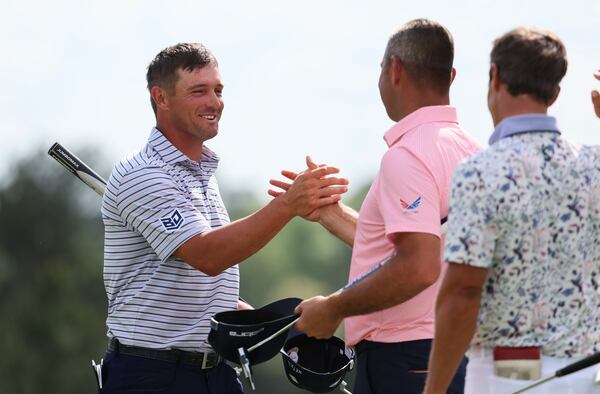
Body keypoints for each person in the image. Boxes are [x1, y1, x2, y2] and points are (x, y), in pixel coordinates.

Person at [98, 43, 348, 394]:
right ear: (161, 98)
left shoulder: (201, 174)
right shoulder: (143, 174)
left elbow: (203, 285)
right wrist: (287, 205)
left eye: (218, 90)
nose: (214, 102)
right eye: (199, 91)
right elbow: (209, 256)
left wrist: (277, 328)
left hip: (214, 373)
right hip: (150, 372)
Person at [270, 19, 481, 393]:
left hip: (406, 358)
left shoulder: (409, 154)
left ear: (394, 69)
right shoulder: (474, 151)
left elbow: (417, 266)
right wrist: (331, 215)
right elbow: (421, 245)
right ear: (450, 75)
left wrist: (333, 307)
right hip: (463, 353)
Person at [424, 27, 600, 394]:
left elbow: (463, 292)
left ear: (495, 76)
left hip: (509, 373)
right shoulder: (593, 165)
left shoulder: (480, 172)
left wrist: (435, 389)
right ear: (555, 91)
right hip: (586, 373)